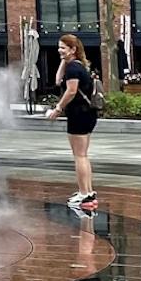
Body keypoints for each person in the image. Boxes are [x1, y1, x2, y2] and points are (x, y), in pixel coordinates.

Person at [45, 34, 98, 211]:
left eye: (64, 48)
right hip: (86, 114)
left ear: (73, 49)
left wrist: (58, 108)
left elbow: (71, 91)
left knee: (79, 155)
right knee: (82, 154)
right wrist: (63, 60)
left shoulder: (74, 69)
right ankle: (87, 191)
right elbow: (58, 80)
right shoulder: (77, 66)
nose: (60, 50)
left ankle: (84, 193)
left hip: (79, 114)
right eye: (59, 47)